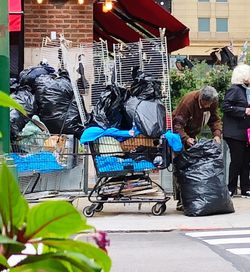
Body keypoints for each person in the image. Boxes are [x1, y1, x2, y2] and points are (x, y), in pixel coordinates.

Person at [172, 86, 222, 211]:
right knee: (182, 167)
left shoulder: (212, 102)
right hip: (180, 137)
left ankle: (196, 197)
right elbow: (177, 125)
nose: (207, 106)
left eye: (209, 104)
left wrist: (216, 134)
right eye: (205, 104)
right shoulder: (188, 102)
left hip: (193, 135)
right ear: (200, 98)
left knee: (195, 169)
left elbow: (215, 119)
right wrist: (186, 138)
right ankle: (181, 200)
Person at [222, 64, 250, 198]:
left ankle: (245, 188)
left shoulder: (246, 90)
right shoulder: (234, 89)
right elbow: (226, 106)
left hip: (245, 132)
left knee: (246, 160)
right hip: (234, 133)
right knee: (237, 160)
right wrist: (243, 110)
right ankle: (231, 188)